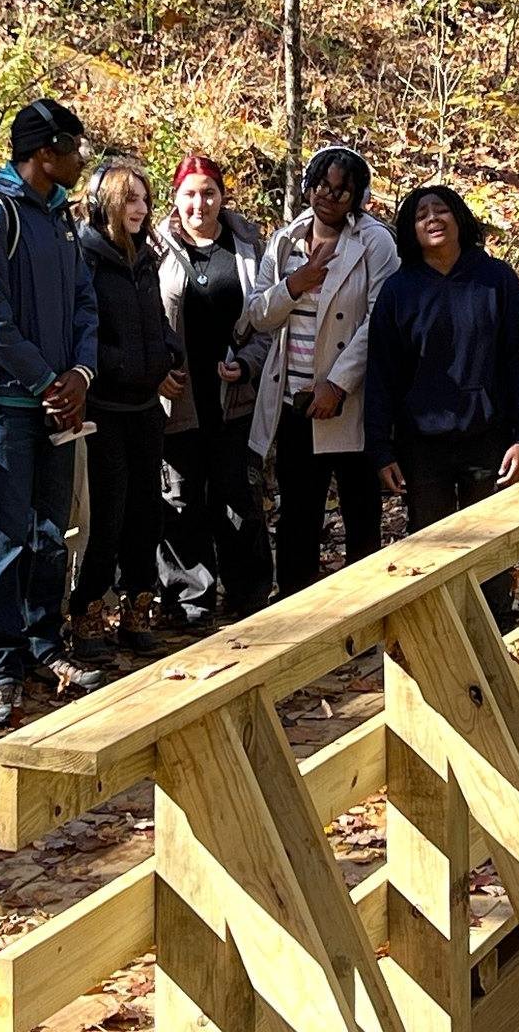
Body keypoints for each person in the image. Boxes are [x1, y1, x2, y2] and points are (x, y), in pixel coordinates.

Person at [0, 98, 104, 726]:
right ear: (45, 153)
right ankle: (1, 665)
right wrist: (48, 381)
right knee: (4, 540)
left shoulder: (61, 217)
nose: (81, 159)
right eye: (74, 148)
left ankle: (46, 646)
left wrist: (80, 375)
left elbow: (85, 304)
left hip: (58, 402)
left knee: (50, 532)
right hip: (4, 405)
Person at [365, 185, 519, 624]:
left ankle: (495, 630)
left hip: (488, 437)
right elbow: (381, 375)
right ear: (411, 230)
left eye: (441, 210)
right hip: (422, 445)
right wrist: (381, 449)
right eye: (421, 214)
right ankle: (437, 630)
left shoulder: (496, 279)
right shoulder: (398, 291)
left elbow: (518, 360)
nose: (432, 219)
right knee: (430, 546)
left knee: (490, 542)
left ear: (459, 218)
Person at [246, 146, 399, 594]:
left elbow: (380, 321)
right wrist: (295, 284)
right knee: (297, 515)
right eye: (321, 186)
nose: (328, 197)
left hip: (349, 404)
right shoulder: (286, 240)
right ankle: (296, 610)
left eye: (341, 191)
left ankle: (363, 608)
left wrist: (337, 384)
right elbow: (258, 314)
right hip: (294, 402)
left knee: (360, 513)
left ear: (357, 196)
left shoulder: (375, 242)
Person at [66, 160, 184, 659]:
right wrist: (124, 364)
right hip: (105, 407)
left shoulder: (144, 257)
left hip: (145, 406)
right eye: (129, 199)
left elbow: (154, 319)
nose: (140, 208)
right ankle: (88, 610)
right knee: (108, 515)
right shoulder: (85, 257)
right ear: (105, 204)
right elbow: (83, 332)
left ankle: (138, 606)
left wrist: (169, 351)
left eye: (144, 199)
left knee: (146, 513)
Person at [154, 155, 273, 625]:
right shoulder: (155, 248)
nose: (199, 204)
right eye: (189, 194)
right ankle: (189, 603)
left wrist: (247, 364)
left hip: (233, 397)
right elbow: (143, 319)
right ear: (175, 198)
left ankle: (249, 594)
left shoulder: (248, 247)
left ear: (222, 196)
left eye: (208, 193)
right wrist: (156, 371)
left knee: (238, 497)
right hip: (178, 396)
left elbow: (266, 321)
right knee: (180, 500)